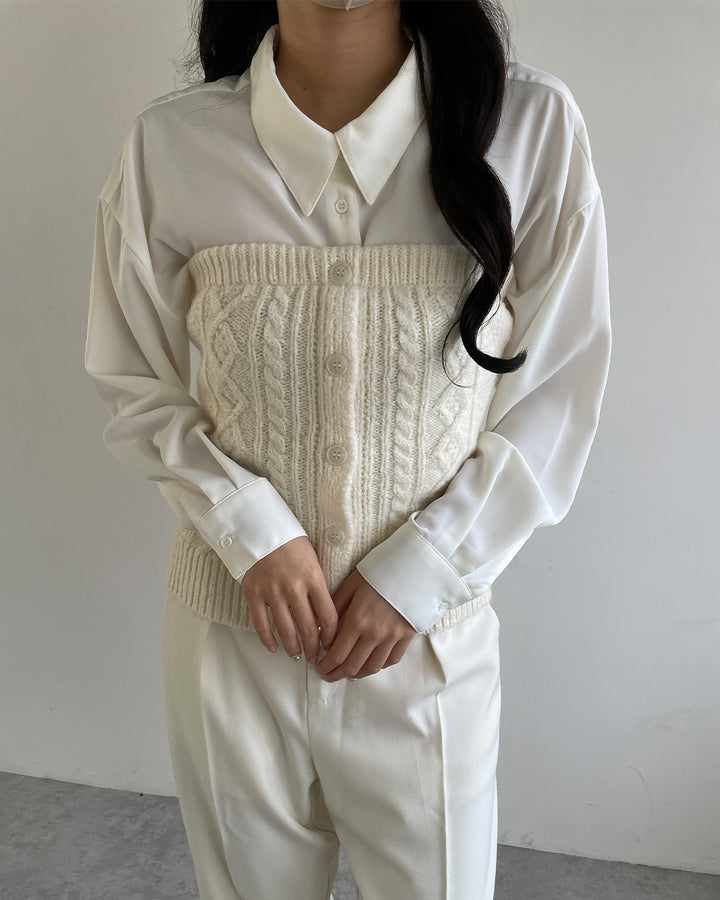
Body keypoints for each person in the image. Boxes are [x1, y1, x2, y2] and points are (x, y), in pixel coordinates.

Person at [83, 0, 611, 897]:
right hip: (230, 645)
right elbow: (133, 377)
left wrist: (426, 569)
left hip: (427, 657)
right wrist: (247, 527)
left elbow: (559, 392)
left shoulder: (529, 127)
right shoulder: (171, 146)